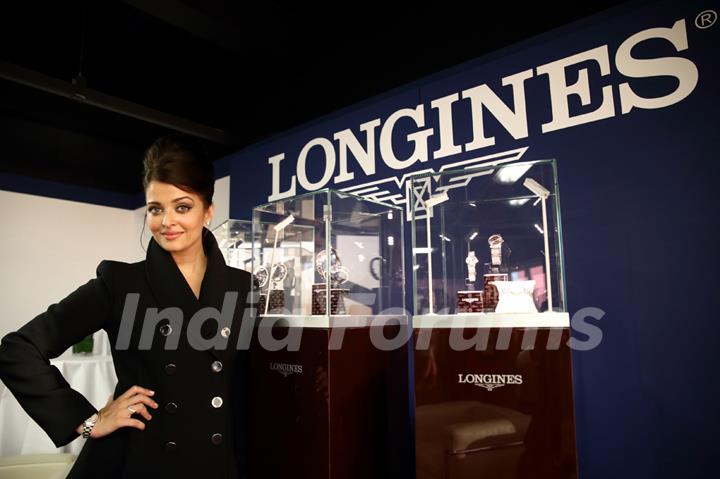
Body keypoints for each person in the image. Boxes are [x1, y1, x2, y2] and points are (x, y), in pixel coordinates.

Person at [0, 134, 252, 478]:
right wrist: (88, 421)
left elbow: (250, 382)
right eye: (155, 209)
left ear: (208, 211)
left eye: (182, 207)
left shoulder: (243, 286)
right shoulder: (120, 283)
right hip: (143, 460)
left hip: (219, 463)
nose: (167, 222)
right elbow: (18, 349)